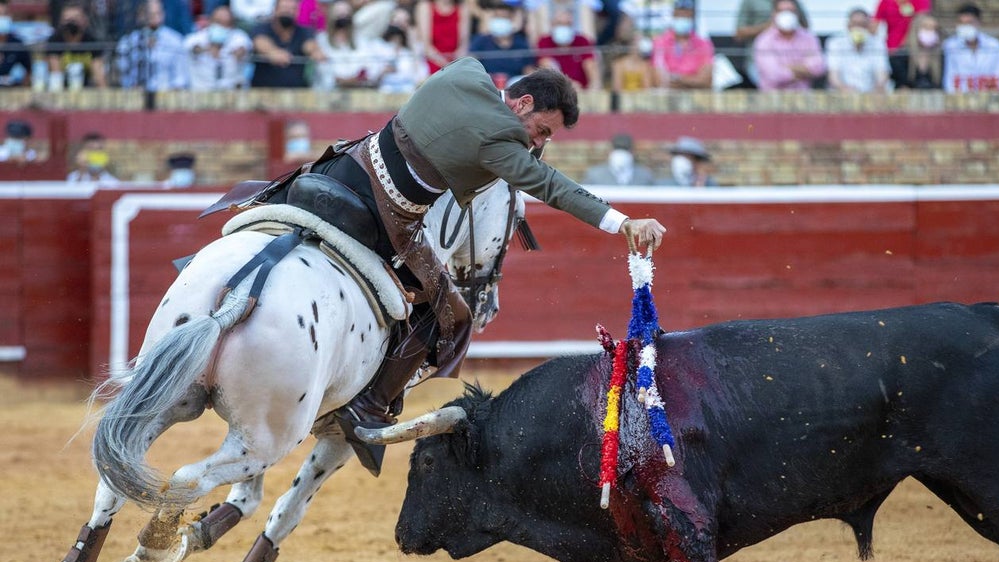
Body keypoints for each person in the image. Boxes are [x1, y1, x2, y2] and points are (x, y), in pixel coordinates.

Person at [212, 59, 666, 473]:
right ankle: (366, 407)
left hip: (341, 167)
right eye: (543, 130)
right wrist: (623, 222)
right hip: (390, 216)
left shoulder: (466, 71)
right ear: (522, 103)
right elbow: (554, 188)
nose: (539, 141)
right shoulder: (502, 143)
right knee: (454, 313)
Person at [115, 0, 191, 90]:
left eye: (157, 13)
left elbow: (180, 80)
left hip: (166, 98)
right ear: (140, 15)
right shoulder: (127, 42)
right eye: (149, 14)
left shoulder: (175, 41)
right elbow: (120, 73)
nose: (154, 18)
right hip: (134, 97)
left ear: (163, 14)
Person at [250, 0, 326, 87]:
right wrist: (272, 52)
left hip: (296, 92)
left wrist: (315, 52)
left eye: (292, 9)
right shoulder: (262, 28)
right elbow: (260, 41)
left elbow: (309, 45)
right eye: (284, 8)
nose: (288, 12)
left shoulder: (304, 31)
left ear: (297, 12)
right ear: (275, 10)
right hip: (263, 89)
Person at [753, 0, 826, 91]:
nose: (787, 15)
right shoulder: (764, 40)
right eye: (782, 11)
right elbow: (773, 75)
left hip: (803, 98)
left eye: (791, 11)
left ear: (797, 14)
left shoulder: (809, 38)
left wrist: (785, 67)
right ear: (774, 14)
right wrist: (803, 72)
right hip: (772, 99)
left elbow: (818, 68)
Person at [314, 0, 387, 89]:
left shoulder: (361, 41)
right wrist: (340, 80)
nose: (343, 17)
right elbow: (322, 69)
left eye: (346, 13)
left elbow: (371, 67)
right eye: (339, 14)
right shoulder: (321, 40)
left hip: (358, 90)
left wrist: (356, 79)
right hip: (330, 91)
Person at [941, 3, 999, 93]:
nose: (965, 27)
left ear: (979, 22)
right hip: (959, 100)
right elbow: (949, 80)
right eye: (962, 23)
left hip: (989, 98)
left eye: (969, 23)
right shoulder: (950, 46)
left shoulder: (994, 45)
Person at [186, 5, 253, 90]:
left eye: (226, 24)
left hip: (231, 93)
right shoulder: (196, 38)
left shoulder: (239, 37)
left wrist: (237, 53)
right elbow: (193, 48)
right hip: (200, 92)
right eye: (218, 22)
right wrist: (207, 49)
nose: (221, 27)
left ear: (232, 25)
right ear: (210, 21)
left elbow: (243, 48)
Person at [650, 0, 712, 89]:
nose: (683, 18)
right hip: (668, 96)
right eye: (679, 15)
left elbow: (705, 80)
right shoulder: (660, 43)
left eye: (687, 16)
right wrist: (690, 80)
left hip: (695, 96)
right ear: (673, 16)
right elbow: (659, 80)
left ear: (692, 17)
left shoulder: (703, 44)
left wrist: (679, 79)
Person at [468, 2, 536, 82]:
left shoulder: (521, 43)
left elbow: (528, 71)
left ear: (512, 20)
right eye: (497, 17)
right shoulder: (480, 41)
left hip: (514, 87)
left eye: (504, 17)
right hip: (487, 84)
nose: (500, 21)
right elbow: (471, 65)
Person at [825, 7, 889, 93]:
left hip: (871, 96)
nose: (858, 28)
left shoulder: (878, 44)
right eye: (855, 24)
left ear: (868, 26)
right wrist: (844, 89)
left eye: (862, 25)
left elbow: (882, 74)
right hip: (842, 96)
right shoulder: (835, 43)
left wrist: (877, 88)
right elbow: (833, 76)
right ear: (848, 26)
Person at [45, 1, 107, 89]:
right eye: (67, 20)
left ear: (85, 21)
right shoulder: (54, 41)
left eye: (75, 19)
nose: (71, 23)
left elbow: (99, 78)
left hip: (85, 90)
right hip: (61, 90)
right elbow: (56, 75)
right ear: (61, 21)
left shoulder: (92, 42)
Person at [537, 4, 600, 88]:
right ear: (552, 24)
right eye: (559, 23)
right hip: (556, 90)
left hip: (582, 89)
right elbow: (546, 64)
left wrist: (593, 88)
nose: (563, 27)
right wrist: (568, 84)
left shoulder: (582, 40)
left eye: (567, 24)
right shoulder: (544, 41)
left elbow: (590, 65)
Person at [871, 0, 930, 89]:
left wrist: (906, 43)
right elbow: (874, 26)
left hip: (915, 50)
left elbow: (923, 21)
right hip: (892, 52)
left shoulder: (920, 1)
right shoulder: (885, 2)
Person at [416, 0, 471, 75]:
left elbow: (464, 44)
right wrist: (446, 65)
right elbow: (426, 46)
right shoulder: (425, 6)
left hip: (456, 62)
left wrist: (455, 63)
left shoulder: (462, 8)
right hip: (432, 60)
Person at [734, 0, 778, 86]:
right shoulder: (750, 2)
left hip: (790, 61)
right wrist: (768, 27)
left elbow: (805, 27)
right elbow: (739, 34)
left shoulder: (792, 2)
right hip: (757, 62)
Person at [582, 132, 654, 185]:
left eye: (625, 150)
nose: (621, 154)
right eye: (617, 149)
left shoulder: (644, 175)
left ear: (633, 152)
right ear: (610, 151)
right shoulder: (595, 175)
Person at [378, 23, 429, 91]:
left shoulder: (408, 53)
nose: (395, 41)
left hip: (406, 85)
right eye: (393, 39)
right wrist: (384, 71)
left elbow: (419, 75)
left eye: (397, 38)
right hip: (388, 85)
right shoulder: (384, 52)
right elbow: (376, 75)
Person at [904, 11, 941, 88]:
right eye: (926, 27)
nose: (930, 31)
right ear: (916, 30)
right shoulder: (902, 57)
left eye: (933, 28)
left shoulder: (941, 58)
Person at [0, 0, 32, 87]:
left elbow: (29, 70)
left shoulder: (17, 44)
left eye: (4, 15)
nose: (1, 18)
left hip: (11, 91)